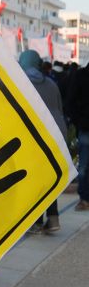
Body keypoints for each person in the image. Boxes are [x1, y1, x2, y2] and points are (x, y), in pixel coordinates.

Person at [20, 50, 66, 233]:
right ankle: (53, 218)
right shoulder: (52, 84)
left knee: (34, 179)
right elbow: (60, 110)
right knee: (48, 176)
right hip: (56, 133)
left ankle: (37, 221)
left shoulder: (21, 83)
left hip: (35, 137)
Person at [65, 61, 89, 210]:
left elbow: (70, 102)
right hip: (85, 126)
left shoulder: (80, 75)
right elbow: (71, 102)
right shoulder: (81, 76)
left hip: (84, 126)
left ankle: (84, 198)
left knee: (84, 165)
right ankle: (84, 197)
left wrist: (77, 120)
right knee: (84, 165)